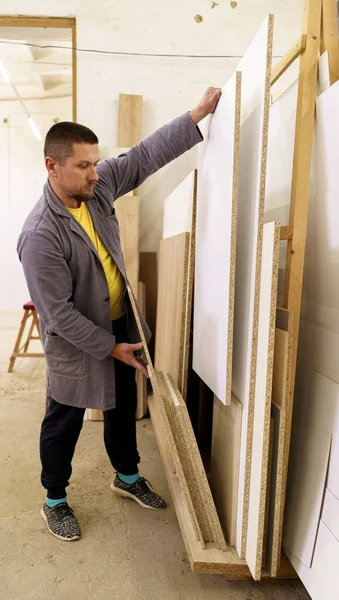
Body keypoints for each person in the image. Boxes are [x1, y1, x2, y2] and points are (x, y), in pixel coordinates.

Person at [17, 86, 221, 542]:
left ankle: (126, 476)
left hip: (117, 322)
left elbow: (145, 155)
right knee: (65, 416)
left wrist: (198, 114)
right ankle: (54, 499)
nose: (95, 174)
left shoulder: (98, 187)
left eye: (95, 162)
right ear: (53, 166)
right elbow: (58, 316)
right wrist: (109, 346)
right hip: (75, 337)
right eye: (83, 165)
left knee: (122, 404)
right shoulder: (40, 234)